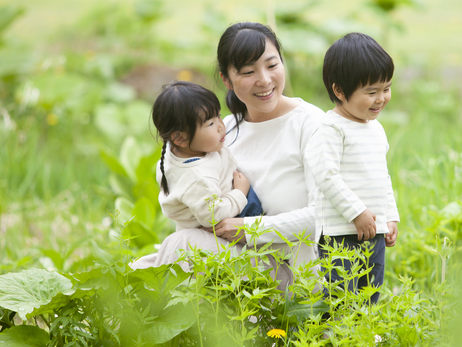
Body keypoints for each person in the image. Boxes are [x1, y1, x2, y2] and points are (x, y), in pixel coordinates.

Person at [133, 22, 324, 283]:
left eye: (272, 65)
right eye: (248, 71)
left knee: (181, 247)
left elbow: (324, 213)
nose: (265, 80)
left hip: (293, 273)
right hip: (238, 259)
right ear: (226, 80)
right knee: (136, 270)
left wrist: (250, 230)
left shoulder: (311, 124)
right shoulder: (225, 131)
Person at [307, 32, 400, 304]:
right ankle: (335, 343)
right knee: (341, 295)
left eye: (386, 88)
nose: (381, 98)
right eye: (371, 92)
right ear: (339, 91)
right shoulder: (331, 129)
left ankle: (363, 340)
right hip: (340, 233)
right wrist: (356, 212)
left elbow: (382, 177)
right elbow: (326, 175)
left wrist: (389, 216)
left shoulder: (376, 129)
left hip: (374, 231)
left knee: (370, 292)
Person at [131, 81, 264, 269]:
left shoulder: (182, 150)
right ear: (180, 138)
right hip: (216, 230)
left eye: (218, 116)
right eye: (210, 123)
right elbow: (214, 216)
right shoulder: (197, 177)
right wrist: (240, 193)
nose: (220, 125)